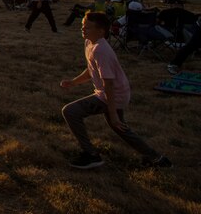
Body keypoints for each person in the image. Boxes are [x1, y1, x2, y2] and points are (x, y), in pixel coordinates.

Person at [59, 12, 171, 169]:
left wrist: (112, 113)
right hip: (112, 93)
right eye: (83, 26)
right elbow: (92, 70)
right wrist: (73, 82)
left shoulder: (100, 50)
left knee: (70, 111)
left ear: (101, 31)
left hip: (113, 95)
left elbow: (109, 84)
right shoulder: (89, 43)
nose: (83, 30)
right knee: (121, 129)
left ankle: (92, 155)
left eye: (88, 27)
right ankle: (157, 159)